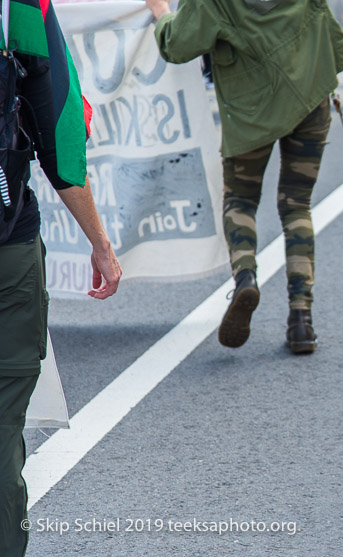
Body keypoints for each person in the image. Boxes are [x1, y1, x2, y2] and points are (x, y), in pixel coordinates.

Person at [145, 0, 343, 353]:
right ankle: (301, 319)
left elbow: (178, 45)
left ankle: (245, 276)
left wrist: (160, 13)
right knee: (297, 205)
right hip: (310, 94)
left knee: (240, 199)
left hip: (250, 109)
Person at [1, 4, 122, 554]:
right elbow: (59, 125)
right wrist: (99, 243)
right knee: (3, 421)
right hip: (5, 243)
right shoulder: (20, 6)